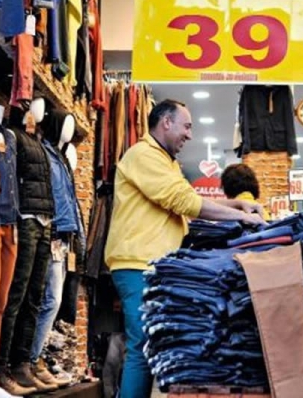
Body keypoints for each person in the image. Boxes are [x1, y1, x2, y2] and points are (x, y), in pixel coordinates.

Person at [104, 99, 266, 398]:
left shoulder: (164, 162)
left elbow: (186, 198)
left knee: (149, 344)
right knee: (142, 343)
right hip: (137, 263)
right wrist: (241, 215)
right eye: (187, 126)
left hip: (152, 264)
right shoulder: (143, 155)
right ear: (166, 122)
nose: (189, 135)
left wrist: (236, 203)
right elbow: (184, 202)